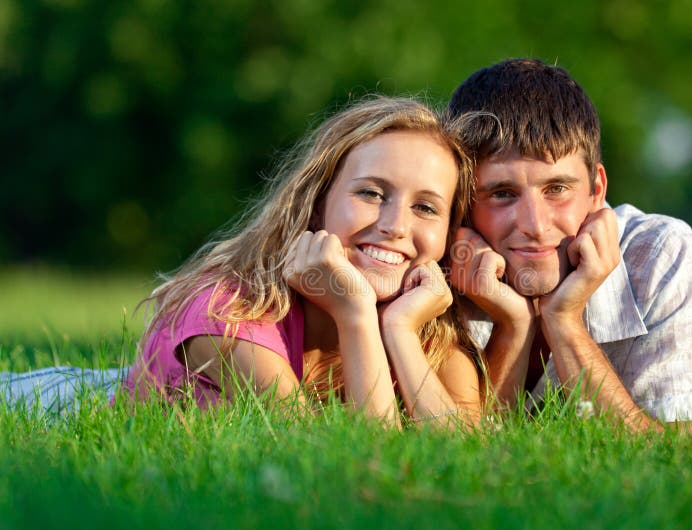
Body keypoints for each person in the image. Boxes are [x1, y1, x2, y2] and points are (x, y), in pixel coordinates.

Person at [3, 97, 482, 427]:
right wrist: (355, 314)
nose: (396, 225)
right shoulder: (227, 312)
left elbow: (463, 456)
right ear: (317, 202)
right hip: (60, 402)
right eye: (371, 193)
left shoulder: (424, 322)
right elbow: (357, 459)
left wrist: (398, 330)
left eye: (425, 207)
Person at [446, 58, 692, 430]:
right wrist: (513, 325)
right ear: (462, 202)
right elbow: (465, 446)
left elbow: (682, 460)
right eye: (502, 193)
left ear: (596, 191)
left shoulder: (659, 254)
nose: (535, 225)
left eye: (556, 189)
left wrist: (564, 320)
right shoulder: (437, 268)